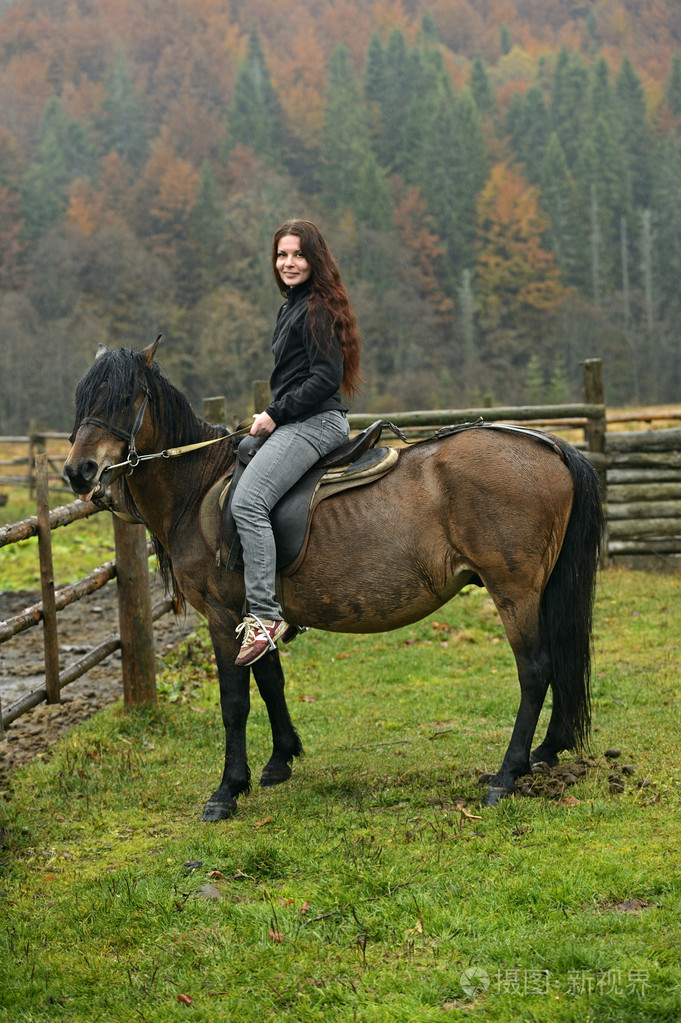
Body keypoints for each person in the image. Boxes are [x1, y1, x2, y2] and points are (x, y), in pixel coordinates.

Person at [231, 219, 362, 667]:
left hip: (316, 423)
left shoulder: (317, 308)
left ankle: (266, 616)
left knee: (247, 504)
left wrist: (274, 413)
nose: (288, 263)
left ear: (315, 260)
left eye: (298, 255)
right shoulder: (293, 305)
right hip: (297, 421)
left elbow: (325, 378)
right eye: (282, 255)